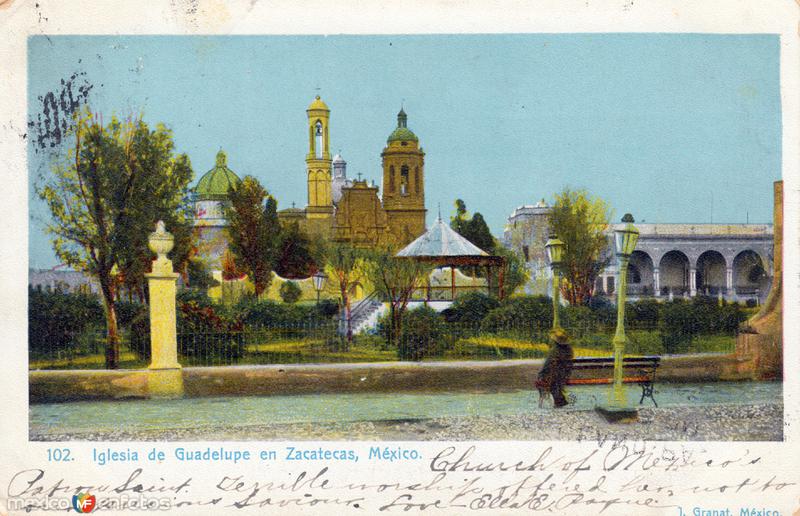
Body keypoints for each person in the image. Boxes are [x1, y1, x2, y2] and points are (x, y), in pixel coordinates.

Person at [535, 328, 574, 408]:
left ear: (555, 341)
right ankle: (560, 400)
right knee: (554, 378)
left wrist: (541, 374)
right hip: (565, 374)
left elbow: (547, 365)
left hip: (554, 376)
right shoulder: (569, 350)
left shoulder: (554, 351)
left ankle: (559, 400)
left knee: (544, 378)